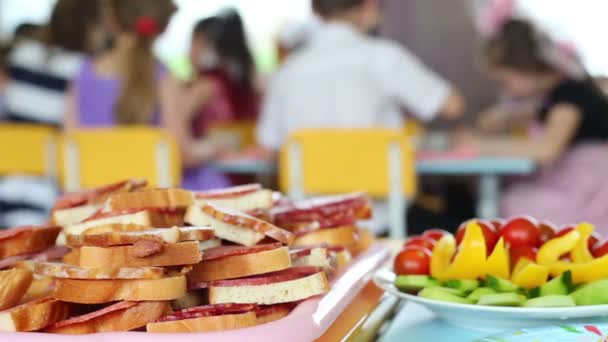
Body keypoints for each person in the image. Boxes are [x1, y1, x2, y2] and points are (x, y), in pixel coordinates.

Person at [457, 19, 608, 231]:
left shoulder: (571, 95)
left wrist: (479, 145)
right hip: (580, 185)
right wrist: (505, 118)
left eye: (505, 82)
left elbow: (547, 150)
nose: (505, 91)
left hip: (591, 195)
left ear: (526, 69)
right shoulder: (555, 96)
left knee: (516, 206)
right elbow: (525, 114)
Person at [256, 0, 465, 152]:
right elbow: (452, 105)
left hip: (304, 207)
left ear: (314, 8)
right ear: (369, 5)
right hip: (379, 208)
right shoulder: (383, 57)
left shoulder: (286, 71)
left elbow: (269, 144)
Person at [65, 0, 230, 191]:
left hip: (94, 202)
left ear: (110, 20)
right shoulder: (163, 77)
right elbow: (181, 153)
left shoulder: (82, 74)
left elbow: (71, 148)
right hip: (153, 203)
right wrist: (213, 147)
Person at [4, 0, 102, 126]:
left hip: (12, 140)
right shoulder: (83, 66)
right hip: (54, 143)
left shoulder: (22, 53)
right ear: (91, 26)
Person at [187, 9, 260, 139]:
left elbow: (173, 119)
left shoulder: (206, 84)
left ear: (204, 44)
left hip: (214, 157)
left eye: (193, 43)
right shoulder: (245, 78)